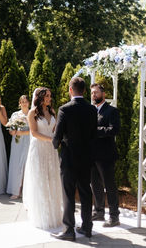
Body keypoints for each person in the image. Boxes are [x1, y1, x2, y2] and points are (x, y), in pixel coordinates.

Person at [52, 77, 97, 241]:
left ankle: (69, 230)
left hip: (69, 158)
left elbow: (57, 134)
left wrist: (55, 144)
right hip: (86, 158)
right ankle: (87, 227)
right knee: (85, 192)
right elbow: (94, 134)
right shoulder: (92, 110)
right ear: (84, 91)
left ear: (71, 90)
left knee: (68, 193)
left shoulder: (65, 109)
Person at [23, 87, 63, 230]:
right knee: (40, 180)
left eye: (50, 96)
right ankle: (42, 217)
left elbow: (55, 129)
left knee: (52, 179)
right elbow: (34, 133)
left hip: (51, 150)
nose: (49, 98)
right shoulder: (32, 113)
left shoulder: (52, 111)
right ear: (39, 97)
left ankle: (54, 215)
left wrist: (58, 138)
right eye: (46, 96)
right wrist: (51, 140)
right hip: (39, 149)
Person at [90, 83, 120, 227]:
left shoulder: (112, 111)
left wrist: (95, 130)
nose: (93, 95)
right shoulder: (90, 111)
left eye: (96, 93)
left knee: (110, 186)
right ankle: (99, 212)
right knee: (95, 185)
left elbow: (114, 130)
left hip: (106, 156)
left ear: (103, 94)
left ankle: (114, 216)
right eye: (92, 93)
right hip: (92, 155)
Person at [7, 95, 30, 199]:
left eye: (26, 101)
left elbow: (34, 130)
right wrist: (14, 132)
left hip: (29, 141)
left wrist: (22, 132)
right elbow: (11, 131)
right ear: (19, 103)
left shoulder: (32, 113)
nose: (24, 103)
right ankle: (16, 190)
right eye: (22, 102)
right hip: (17, 143)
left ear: (29, 103)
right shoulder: (15, 114)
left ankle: (27, 191)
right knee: (16, 165)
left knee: (27, 165)